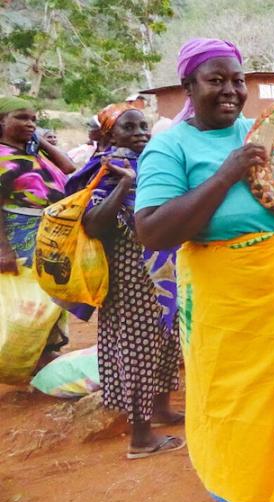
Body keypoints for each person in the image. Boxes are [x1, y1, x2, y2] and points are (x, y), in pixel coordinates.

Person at [134, 38, 274, 502]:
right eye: (215, 80)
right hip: (223, 299)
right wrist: (225, 174)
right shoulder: (170, 148)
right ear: (189, 88)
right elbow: (152, 230)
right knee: (234, 407)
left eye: (236, 80)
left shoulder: (256, 131)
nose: (230, 90)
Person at [68, 103, 184, 458]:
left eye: (142, 127)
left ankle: (161, 409)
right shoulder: (102, 171)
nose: (139, 134)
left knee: (168, 339)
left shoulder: (150, 161)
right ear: (108, 135)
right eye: (128, 128)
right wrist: (125, 186)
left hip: (163, 270)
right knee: (138, 350)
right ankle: (140, 437)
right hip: (129, 275)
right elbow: (94, 223)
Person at [0, 96, 70, 364]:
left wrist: (38, 140)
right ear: (1, 121)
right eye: (21, 117)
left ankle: (46, 353)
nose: (30, 123)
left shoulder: (33, 153)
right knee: (26, 301)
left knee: (50, 293)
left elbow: (69, 167)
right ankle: (24, 358)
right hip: (20, 236)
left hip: (49, 234)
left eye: (33, 119)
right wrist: (3, 248)